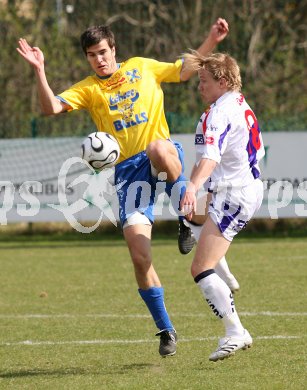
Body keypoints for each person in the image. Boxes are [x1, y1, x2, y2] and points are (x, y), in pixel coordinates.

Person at [17, 18, 230, 357]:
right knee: (139, 255)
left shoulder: (142, 67)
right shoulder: (89, 88)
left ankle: (186, 220)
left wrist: (210, 39)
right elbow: (51, 107)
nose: (98, 59)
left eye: (102, 52)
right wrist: (40, 70)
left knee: (159, 148)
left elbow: (183, 70)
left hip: (159, 152)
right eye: (91, 55)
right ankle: (166, 329)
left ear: (113, 49)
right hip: (127, 173)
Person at [180, 51, 265, 361]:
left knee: (199, 268)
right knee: (190, 215)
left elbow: (211, 158)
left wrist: (193, 185)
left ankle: (235, 331)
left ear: (224, 81)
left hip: (235, 194)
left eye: (204, 81)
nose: (199, 86)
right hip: (240, 188)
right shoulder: (239, 104)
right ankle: (224, 273)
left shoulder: (219, 113)